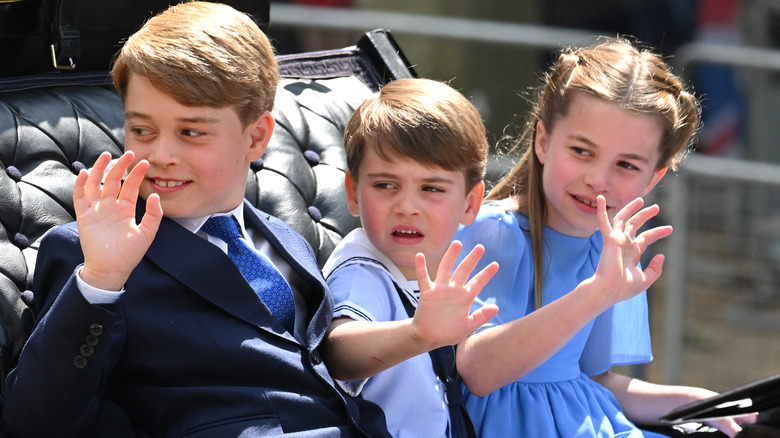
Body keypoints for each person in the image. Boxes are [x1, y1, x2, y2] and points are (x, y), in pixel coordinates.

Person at [1, 2, 390, 437]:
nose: (161, 156)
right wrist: (100, 280)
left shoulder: (284, 237)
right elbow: (35, 422)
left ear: (256, 136)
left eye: (191, 132)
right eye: (142, 130)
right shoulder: (89, 254)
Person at [452, 37, 755, 437]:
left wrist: (698, 401)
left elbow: (593, 381)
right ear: (543, 142)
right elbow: (478, 372)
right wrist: (597, 292)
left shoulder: (610, 246)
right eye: (581, 151)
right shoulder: (492, 231)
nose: (598, 180)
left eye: (627, 165)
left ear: (654, 177)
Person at [319, 78, 500, 437]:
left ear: (470, 203)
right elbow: (338, 351)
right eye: (385, 185)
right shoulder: (362, 269)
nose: (406, 207)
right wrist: (416, 334)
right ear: (353, 194)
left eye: (431, 188)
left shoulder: (444, 273)